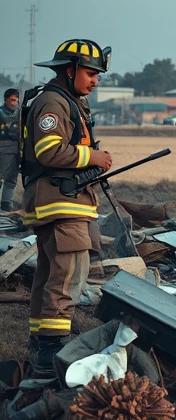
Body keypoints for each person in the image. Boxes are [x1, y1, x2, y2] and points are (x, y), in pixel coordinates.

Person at [20, 39, 114, 373]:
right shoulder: (54, 103)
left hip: (60, 200)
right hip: (60, 201)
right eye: (90, 73)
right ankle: (52, 349)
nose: (95, 81)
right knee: (69, 273)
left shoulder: (65, 101)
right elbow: (48, 151)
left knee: (48, 273)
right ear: (70, 70)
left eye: (97, 75)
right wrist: (94, 157)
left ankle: (41, 338)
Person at [0, 89, 20, 212]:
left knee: (12, 179)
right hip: (3, 149)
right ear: (5, 99)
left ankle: (6, 204)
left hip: (16, 149)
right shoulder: (1, 113)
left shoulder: (19, 114)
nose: (14, 103)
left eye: (16, 100)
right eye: (12, 100)